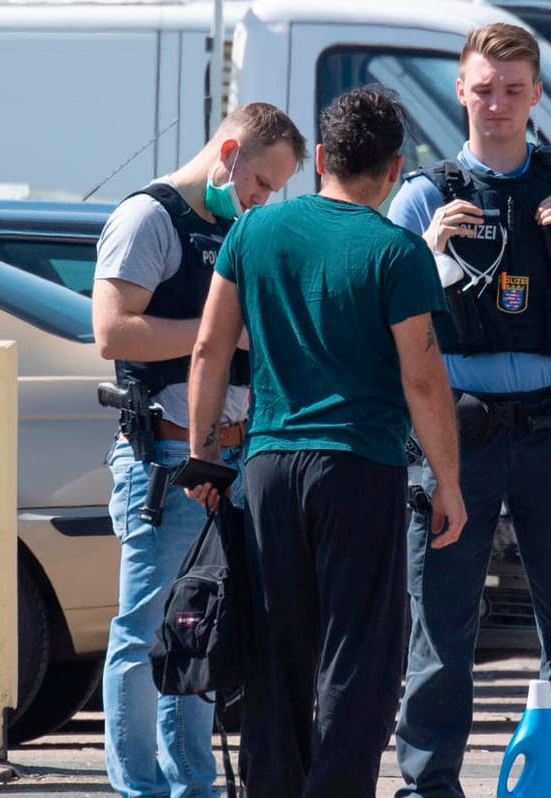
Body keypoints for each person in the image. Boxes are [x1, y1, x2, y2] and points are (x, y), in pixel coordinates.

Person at [186, 86, 466, 798]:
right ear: (396, 168)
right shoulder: (397, 251)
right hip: (358, 468)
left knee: (275, 653)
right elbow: (424, 379)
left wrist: (202, 454)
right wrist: (449, 482)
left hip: (268, 467)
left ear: (317, 159)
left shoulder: (253, 233)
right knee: (357, 659)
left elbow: (208, 349)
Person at [387, 22, 551, 798]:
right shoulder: (424, 195)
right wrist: (425, 252)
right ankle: (429, 784)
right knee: (441, 627)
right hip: (452, 436)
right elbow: (385, 327)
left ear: (536, 96)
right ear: (459, 92)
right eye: (483, 89)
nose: (495, 104)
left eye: (511, 90)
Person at [92, 102, 305, 798]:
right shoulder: (148, 218)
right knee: (143, 632)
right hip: (166, 458)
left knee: (199, 628)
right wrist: (217, 334)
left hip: (230, 461)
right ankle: (143, 788)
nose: (262, 199)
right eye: (262, 182)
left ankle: (192, 785)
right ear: (230, 152)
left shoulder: (234, 228)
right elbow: (114, 333)